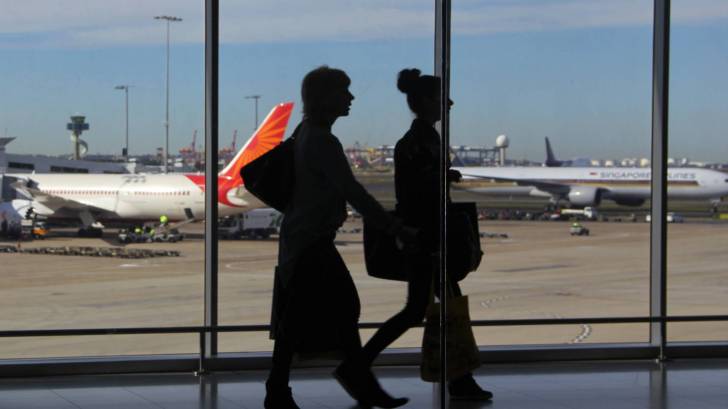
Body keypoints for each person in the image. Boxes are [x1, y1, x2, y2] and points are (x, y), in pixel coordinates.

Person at [264, 66, 413, 409]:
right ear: (325, 97)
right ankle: (354, 379)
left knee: (297, 318)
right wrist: (395, 228)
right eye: (344, 91)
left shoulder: (305, 132)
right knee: (341, 308)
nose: (351, 98)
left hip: (300, 240)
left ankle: (283, 389)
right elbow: (353, 192)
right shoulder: (322, 141)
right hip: (311, 241)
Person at [354, 68, 493, 401]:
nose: (450, 103)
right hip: (427, 239)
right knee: (438, 308)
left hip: (425, 237)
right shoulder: (420, 141)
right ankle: (457, 378)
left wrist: (443, 175)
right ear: (427, 102)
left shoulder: (421, 139)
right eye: (443, 98)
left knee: (421, 309)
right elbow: (418, 194)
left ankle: (456, 378)